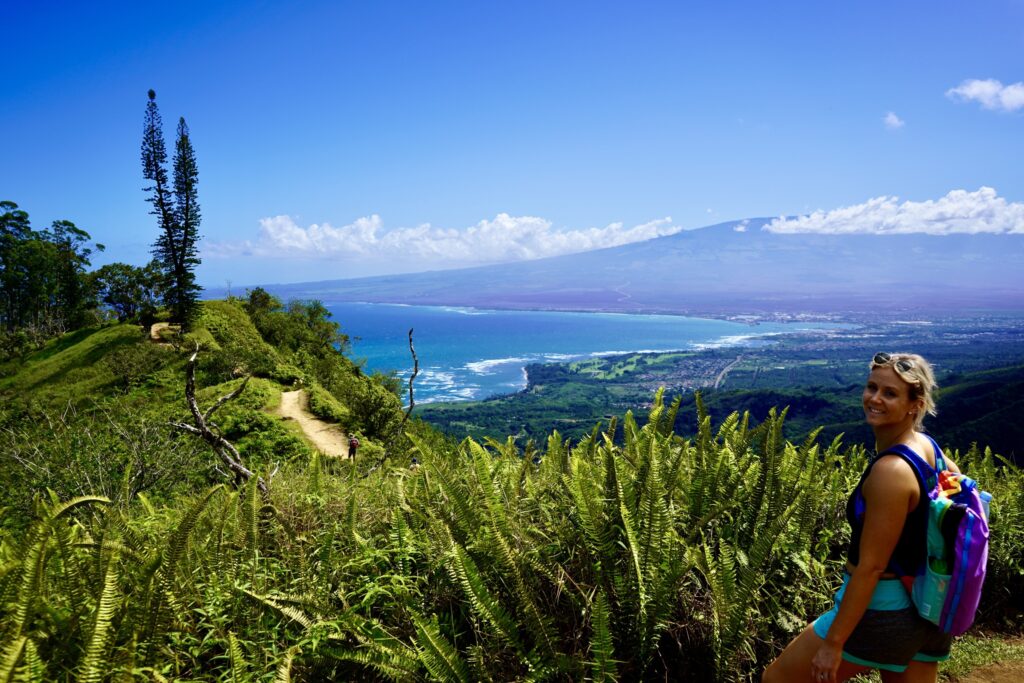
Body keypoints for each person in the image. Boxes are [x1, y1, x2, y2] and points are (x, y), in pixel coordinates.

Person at [763, 352, 956, 683]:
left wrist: (833, 644)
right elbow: (960, 502)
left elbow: (871, 567)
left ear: (916, 404)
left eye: (890, 393)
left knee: (778, 679)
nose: (875, 398)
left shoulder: (891, 471)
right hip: (930, 607)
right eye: (871, 387)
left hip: (885, 611)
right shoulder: (928, 448)